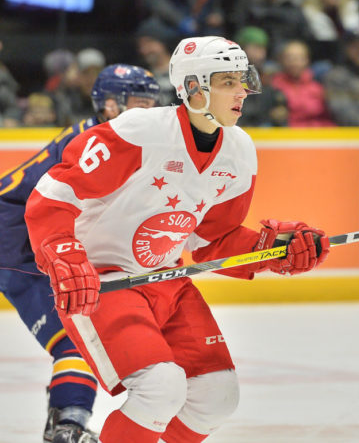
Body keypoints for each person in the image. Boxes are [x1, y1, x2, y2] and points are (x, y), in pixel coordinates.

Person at [24, 36, 330, 442]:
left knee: (218, 397)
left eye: (242, 80)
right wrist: (62, 252)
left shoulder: (239, 152)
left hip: (168, 281)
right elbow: (53, 195)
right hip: (106, 283)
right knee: (160, 388)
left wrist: (275, 252)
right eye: (227, 82)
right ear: (193, 88)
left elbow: (215, 239)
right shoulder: (138, 132)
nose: (241, 91)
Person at [0, 64, 160, 443]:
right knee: (77, 337)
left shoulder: (114, 136)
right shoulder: (97, 141)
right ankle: (67, 426)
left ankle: (65, 422)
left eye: (151, 104)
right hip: (17, 240)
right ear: (107, 104)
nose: (147, 112)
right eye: (137, 103)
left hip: (31, 236)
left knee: (83, 334)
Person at [271, 39, 335, 126]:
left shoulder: (319, 86)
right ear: (282, 60)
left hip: (321, 133)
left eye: (299, 58)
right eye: (289, 58)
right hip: (288, 135)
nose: (294, 62)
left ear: (307, 60)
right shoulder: (274, 86)